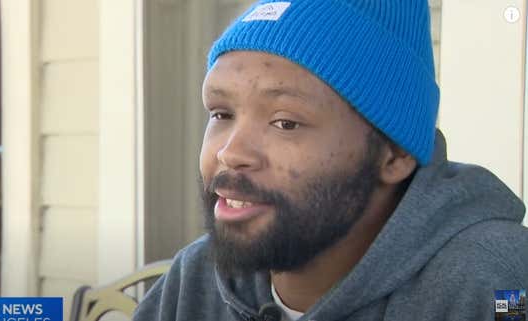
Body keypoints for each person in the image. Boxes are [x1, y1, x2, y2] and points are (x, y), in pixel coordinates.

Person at [133, 0, 528, 320]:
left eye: (285, 122)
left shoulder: (500, 283)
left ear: (395, 153)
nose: (230, 153)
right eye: (221, 114)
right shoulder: (194, 279)